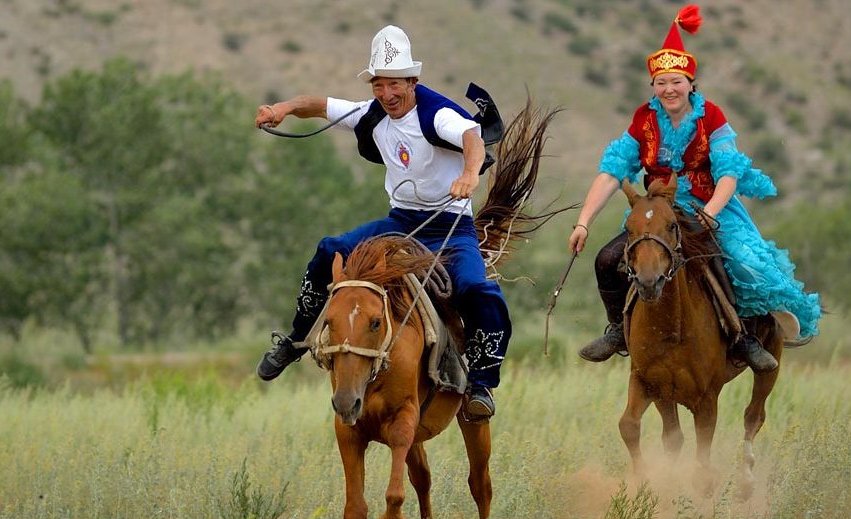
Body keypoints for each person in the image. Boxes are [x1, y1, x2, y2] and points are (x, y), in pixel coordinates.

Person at [254, 25, 508, 419]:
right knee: (328, 249)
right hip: (400, 223)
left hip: (451, 228)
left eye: (394, 85)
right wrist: (282, 109)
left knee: (477, 289)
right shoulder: (372, 114)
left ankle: (482, 384)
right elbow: (319, 104)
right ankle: (295, 340)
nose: (386, 94)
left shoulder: (435, 114)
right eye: (378, 85)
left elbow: (473, 138)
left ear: (412, 81)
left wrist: (470, 174)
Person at [567, 4, 821, 372]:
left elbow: (729, 174)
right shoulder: (643, 120)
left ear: (690, 83)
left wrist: (709, 214)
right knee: (607, 260)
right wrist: (583, 222)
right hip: (659, 209)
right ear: (653, 85)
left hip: (708, 204)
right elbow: (611, 172)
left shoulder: (712, 117)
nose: (669, 89)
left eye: (676, 82)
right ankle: (617, 331)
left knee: (738, 263)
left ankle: (743, 336)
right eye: (661, 82)